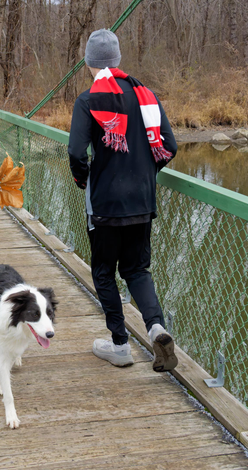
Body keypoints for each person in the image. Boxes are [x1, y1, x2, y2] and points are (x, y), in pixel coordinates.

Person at [68, 29, 178, 372]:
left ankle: (120, 345)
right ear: (117, 60)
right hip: (142, 202)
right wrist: (144, 172)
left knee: (103, 272)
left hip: (105, 205)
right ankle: (156, 327)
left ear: (89, 64)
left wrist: (84, 177)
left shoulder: (89, 100)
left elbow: (75, 151)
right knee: (136, 269)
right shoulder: (147, 96)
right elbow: (169, 147)